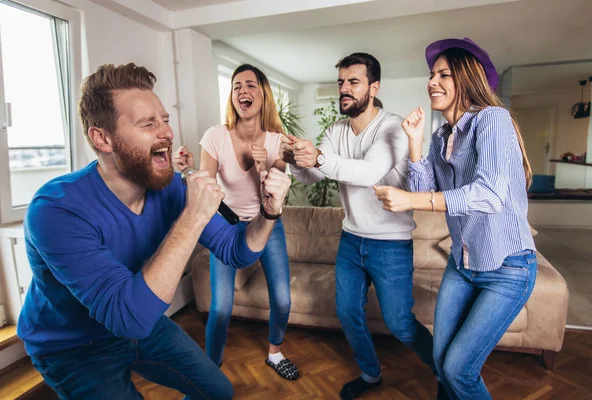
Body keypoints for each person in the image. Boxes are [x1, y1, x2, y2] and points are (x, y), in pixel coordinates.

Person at [16, 62, 291, 400]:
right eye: (148, 124)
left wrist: (269, 210)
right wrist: (192, 217)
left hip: (141, 319)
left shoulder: (170, 189)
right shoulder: (56, 209)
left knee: (218, 390)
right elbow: (127, 319)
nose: (167, 133)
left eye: (165, 120)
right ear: (102, 138)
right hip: (73, 345)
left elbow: (239, 251)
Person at [374, 38, 537, 400]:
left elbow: (489, 194)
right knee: (440, 358)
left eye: (443, 74)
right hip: (462, 266)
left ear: (467, 78)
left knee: (458, 369)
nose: (432, 81)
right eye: (432, 74)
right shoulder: (439, 136)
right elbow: (422, 188)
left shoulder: (493, 120)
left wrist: (412, 198)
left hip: (507, 269)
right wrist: (415, 141)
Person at [281, 53, 437, 400]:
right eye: (341, 82)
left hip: (390, 243)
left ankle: (445, 371)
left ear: (373, 87)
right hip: (352, 239)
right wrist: (296, 160)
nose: (344, 89)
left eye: (353, 82)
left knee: (399, 323)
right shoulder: (336, 130)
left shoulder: (393, 127)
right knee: (348, 313)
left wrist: (320, 157)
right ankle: (370, 374)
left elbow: (368, 172)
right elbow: (314, 173)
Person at [174, 64, 299, 380]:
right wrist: (187, 170)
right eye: (236, 86)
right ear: (231, 97)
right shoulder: (215, 136)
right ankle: (211, 368)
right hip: (227, 228)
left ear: (263, 94)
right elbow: (205, 186)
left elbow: (275, 197)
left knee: (283, 300)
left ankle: (275, 352)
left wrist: (262, 169)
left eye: (251, 85)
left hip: (267, 224)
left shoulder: (277, 142)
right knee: (219, 308)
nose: (243, 91)